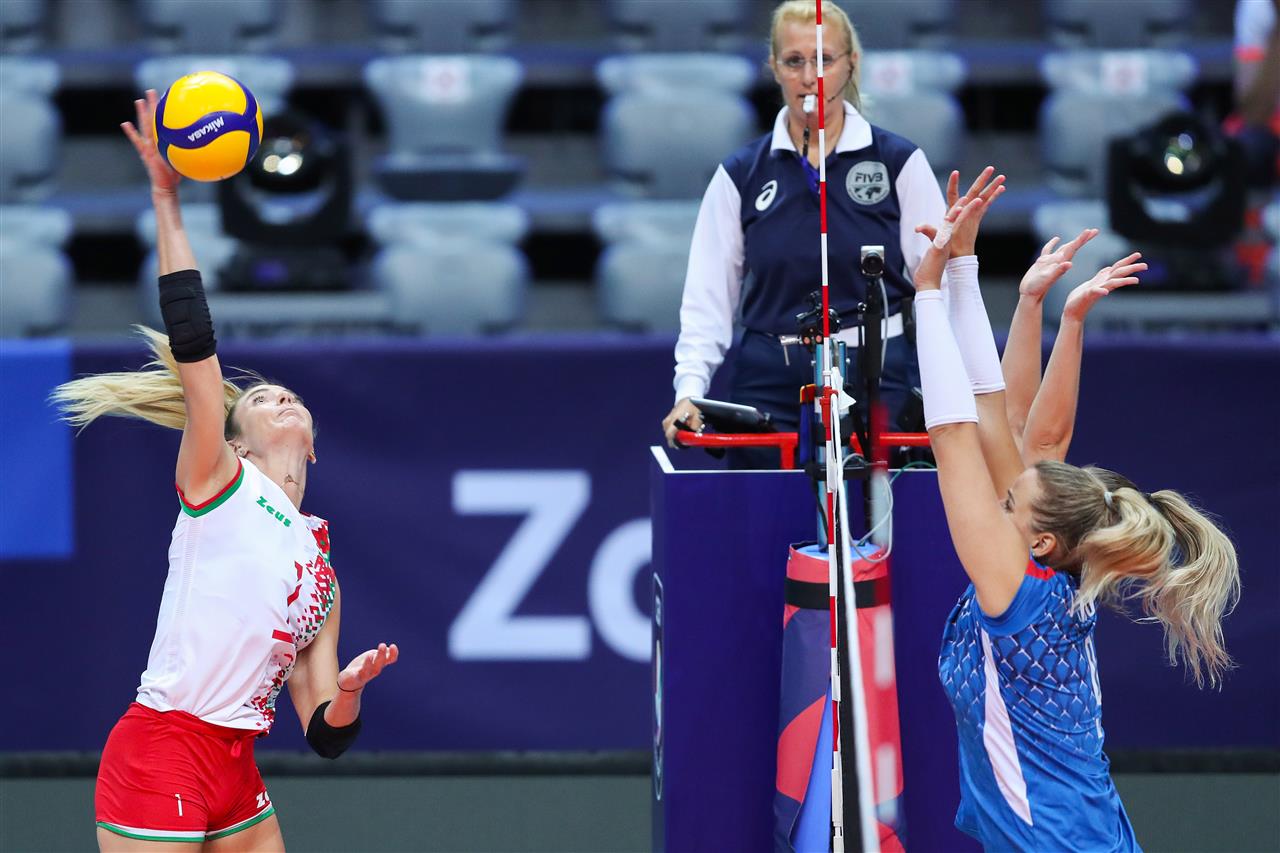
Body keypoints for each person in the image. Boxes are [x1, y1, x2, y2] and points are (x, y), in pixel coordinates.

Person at [52, 90, 399, 852]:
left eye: (289, 396)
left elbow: (325, 733)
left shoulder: (321, 571)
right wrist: (166, 201)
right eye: (264, 399)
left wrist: (348, 693)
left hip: (237, 763)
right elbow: (195, 348)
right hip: (163, 744)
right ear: (236, 445)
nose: (280, 396)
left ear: (313, 445)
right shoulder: (220, 484)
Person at [910, 172, 1240, 850]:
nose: (998, 492)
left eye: (1009, 500)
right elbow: (1003, 421)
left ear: (1040, 541)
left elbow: (954, 436)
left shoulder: (1018, 593)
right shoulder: (1046, 574)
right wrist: (967, 271)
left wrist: (928, 291)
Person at [661, 0, 950, 467]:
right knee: (765, 511)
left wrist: (957, 388)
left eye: (824, 60)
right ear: (774, 67)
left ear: (851, 63)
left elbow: (941, 287)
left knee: (882, 511)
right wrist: (689, 389)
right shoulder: (741, 173)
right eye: (794, 61)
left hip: (877, 372)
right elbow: (706, 299)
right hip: (770, 380)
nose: (810, 76)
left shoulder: (899, 162)